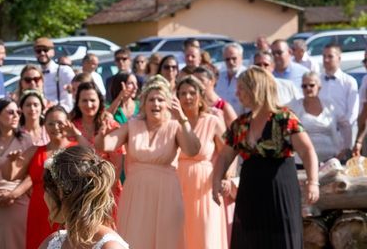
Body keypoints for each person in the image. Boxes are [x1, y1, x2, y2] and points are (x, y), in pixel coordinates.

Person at [212, 66, 319, 249]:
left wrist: (313, 182)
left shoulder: (285, 118)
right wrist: (216, 182)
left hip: (280, 191)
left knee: (281, 240)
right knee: (250, 240)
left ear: (256, 89)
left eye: (241, 88)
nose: (237, 93)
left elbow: (307, 150)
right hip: (250, 192)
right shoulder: (241, 124)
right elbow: (225, 155)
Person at [96, 75, 200, 249]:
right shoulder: (132, 125)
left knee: (168, 239)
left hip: (167, 193)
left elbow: (192, 149)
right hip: (136, 193)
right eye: (151, 99)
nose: (156, 104)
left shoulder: (175, 126)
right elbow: (105, 145)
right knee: (136, 236)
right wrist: (102, 132)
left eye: (161, 99)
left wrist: (183, 119)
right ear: (144, 103)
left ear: (168, 103)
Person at [4, 106, 87, 249]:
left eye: (60, 123)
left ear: (68, 123)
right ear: (44, 126)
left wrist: (77, 133)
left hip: (67, 209)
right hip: (39, 210)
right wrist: (11, 161)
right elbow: (10, 176)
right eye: (50, 123)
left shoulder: (75, 149)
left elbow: (92, 155)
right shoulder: (35, 150)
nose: (55, 127)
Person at [39, 146, 129, 249]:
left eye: (47, 190)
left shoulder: (110, 246)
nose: (44, 197)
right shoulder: (53, 242)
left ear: (61, 193)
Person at [175, 75, 228, 249]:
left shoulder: (212, 121)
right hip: (177, 185)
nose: (187, 97)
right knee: (180, 232)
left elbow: (228, 152)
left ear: (200, 96)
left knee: (206, 231)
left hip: (205, 186)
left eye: (192, 93)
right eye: (182, 93)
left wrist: (227, 177)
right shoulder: (173, 123)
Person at [0, 99, 34, 248]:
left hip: (18, 201)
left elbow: (32, 174)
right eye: (10, 112)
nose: (16, 115)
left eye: (18, 112)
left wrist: (13, 194)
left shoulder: (26, 140)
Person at [70, 82, 123, 207]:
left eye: (92, 100)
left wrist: (105, 189)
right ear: (77, 102)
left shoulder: (110, 125)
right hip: (79, 190)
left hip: (108, 188)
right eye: (84, 100)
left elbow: (117, 164)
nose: (89, 105)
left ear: (100, 101)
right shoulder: (71, 126)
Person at [291, 72, 343, 163]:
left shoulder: (329, 105)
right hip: (303, 161)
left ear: (319, 87)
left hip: (330, 160)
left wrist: (345, 148)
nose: (308, 88)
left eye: (311, 85)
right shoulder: (295, 106)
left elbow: (345, 124)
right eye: (304, 86)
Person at [319, 43, 358, 155]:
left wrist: (344, 138)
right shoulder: (317, 81)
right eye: (324, 56)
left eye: (330, 56)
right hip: (323, 136)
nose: (326, 60)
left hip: (342, 135)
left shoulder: (349, 82)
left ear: (339, 58)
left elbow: (352, 113)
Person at [34, 38, 75, 110]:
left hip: (63, 114)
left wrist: (71, 88)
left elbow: (76, 87)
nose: (42, 53)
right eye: (38, 51)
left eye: (45, 50)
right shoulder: (35, 73)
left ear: (53, 52)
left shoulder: (64, 71)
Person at [215, 42, 247, 114]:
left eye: (234, 58)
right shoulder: (219, 77)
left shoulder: (247, 77)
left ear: (241, 58)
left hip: (240, 122)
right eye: (227, 59)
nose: (231, 62)